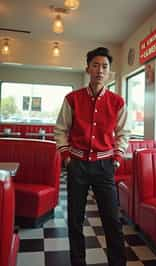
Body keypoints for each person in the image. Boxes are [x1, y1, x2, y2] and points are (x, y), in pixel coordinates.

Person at [54, 47, 128, 266]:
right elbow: (60, 130)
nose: (100, 70)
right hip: (77, 165)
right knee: (75, 221)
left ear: (109, 72)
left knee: (112, 221)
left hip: (105, 166)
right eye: (95, 65)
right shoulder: (72, 99)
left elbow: (124, 133)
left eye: (105, 66)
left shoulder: (117, 102)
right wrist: (67, 158)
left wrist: (116, 159)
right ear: (87, 69)